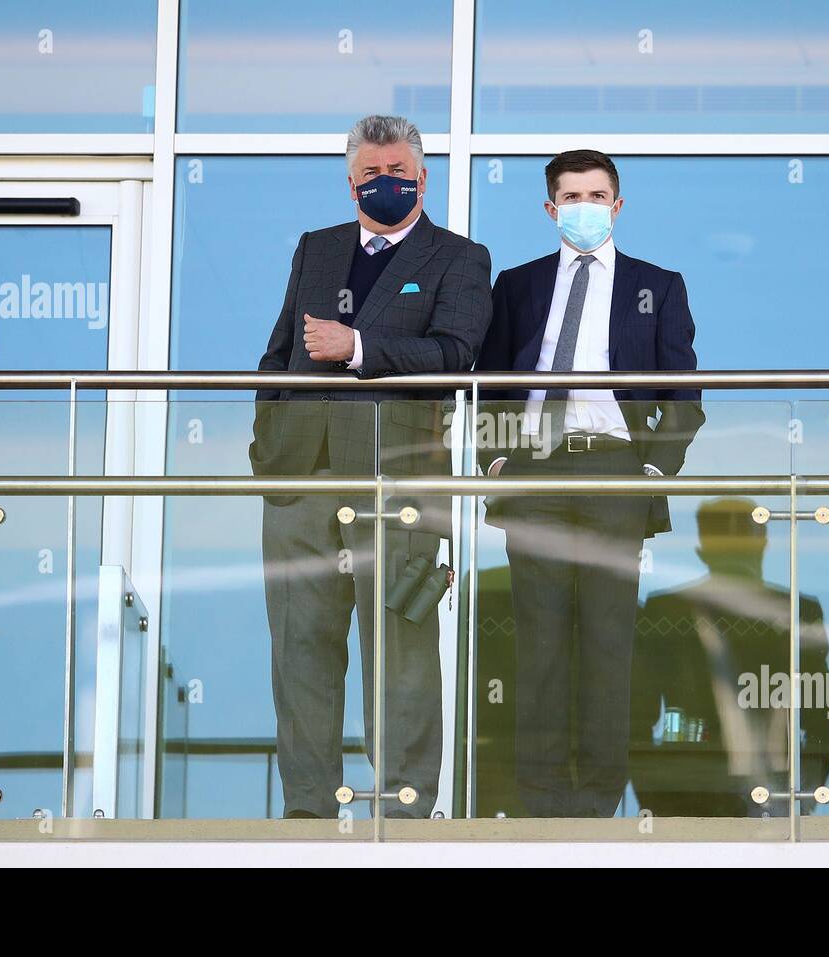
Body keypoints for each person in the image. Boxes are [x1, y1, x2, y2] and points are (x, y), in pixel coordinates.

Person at [249, 115, 492, 819]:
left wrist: (359, 346)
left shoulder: (459, 257)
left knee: (403, 650)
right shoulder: (317, 249)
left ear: (424, 177)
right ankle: (307, 811)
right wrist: (268, 439)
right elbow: (278, 353)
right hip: (301, 479)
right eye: (371, 174)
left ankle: (405, 810)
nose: (385, 184)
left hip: (400, 478)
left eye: (398, 173)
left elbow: (455, 356)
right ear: (349, 180)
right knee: (300, 651)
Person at [473, 149, 705, 817]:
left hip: (615, 468)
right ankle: (543, 803)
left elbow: (684, 393)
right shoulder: (516, 286)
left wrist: (653, 471)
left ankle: (598, 802)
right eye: (572, 196)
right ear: (551, 209)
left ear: (618, 205)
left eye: (597, 195)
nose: (585, 207)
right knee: (540, 645)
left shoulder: (657, 285)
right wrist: (497, 461)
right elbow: (487, 385)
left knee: (608, 644)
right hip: (536, 468)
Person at [630, 498, 829, 817]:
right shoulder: (667, 611)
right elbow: (639, 715)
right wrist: (655, 793)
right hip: (690, 786)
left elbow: (820, 715)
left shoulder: (797, 611)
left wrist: (806, 792)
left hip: (773, 785)